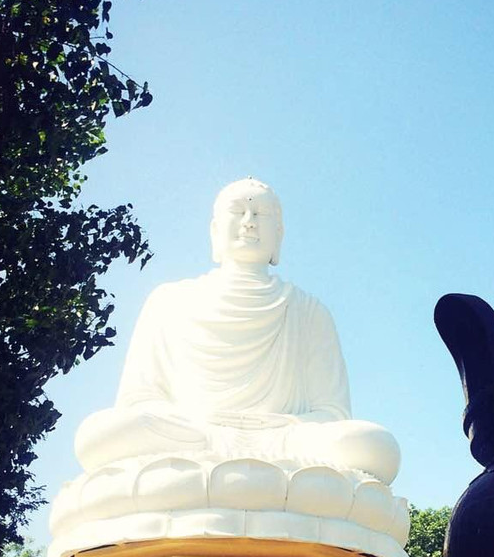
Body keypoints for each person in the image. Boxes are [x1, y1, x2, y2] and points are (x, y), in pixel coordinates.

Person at [73, 178, 401, 483]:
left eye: (261, 213)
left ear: (279, 234)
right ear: (215, 231)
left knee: (373, 446)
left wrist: (274, 428)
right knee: (97, 435)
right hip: (192, 433)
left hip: (282, 439)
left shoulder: (309, 311)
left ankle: (223, 472)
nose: (249, 221)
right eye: (237, 211)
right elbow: (139, 401)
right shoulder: (168, 300)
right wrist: (207, 427)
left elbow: (333, 413)